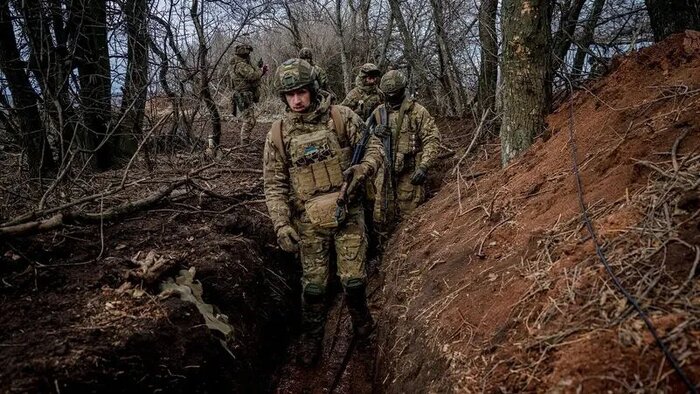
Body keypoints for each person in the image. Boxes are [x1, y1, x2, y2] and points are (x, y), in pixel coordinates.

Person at [262, 58, 383, 366]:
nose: (296, 100)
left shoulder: (341, 117)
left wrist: (363, 168)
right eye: (289, 95)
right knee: (314, 288)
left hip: (348, 212)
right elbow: (274, 185)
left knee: (353, 281)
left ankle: (363, 327)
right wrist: (281, 225)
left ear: (312, 89)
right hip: (308, 221)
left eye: (301, 92)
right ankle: (312, 336)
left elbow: (374, 148)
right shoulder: (278, 134)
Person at [370, 70, 441, 220]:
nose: (391, 98)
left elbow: (432, 138)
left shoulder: (417, 111)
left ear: (403, 90)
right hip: (383, 176)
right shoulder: (378, 113)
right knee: (381, 218)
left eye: (395, 94)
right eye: (388, 94)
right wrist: (375, 131)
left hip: (409, 174)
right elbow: (363, 140)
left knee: (409, 218)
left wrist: (424, 166)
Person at [221, 43, 268, 152]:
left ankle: (245, 143)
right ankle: (244, 144)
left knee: (250, 119)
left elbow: (250, 73)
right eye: (248, 52)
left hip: (244, 94)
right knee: (249, 120)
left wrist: (259, 68)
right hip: (243, 94)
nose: (249, 54)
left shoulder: (239, 63)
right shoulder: (240, 65)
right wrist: (262, 71)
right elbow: (252, 76)